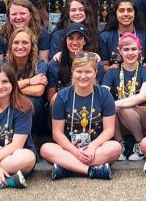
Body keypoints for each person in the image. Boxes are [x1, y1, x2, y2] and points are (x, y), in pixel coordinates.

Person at [41, 52, 121, 180]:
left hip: (95, 148)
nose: (83, 76)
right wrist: (75, 152)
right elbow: (57, 133)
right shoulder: (62, 96)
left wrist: (92, 147)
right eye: (79, 72)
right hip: (69, 148)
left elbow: (109, 130)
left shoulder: (104, 95)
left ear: (95, 72)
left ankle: (67, 168)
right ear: (73, 72)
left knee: (115, 147)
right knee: (46, 149)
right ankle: (91, 170)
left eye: (88, 72)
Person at [102, 34, 146, 161]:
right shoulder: (112, 72)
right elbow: (103, 95)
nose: (130, 53)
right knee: (109, 108)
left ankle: (140, 144)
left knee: (119, 108)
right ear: (119, 51)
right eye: (126, 50)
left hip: (141, 115)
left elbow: (143, 96)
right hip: (118, 120)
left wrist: (115, 104)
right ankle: (120, 144)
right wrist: (112, 105)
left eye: (134, 49)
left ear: (140, 51)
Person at [3, 27, 48, 129]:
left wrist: (10, 89)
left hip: (35, 118)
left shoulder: (40, 65)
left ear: (32, 45)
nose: (20, 46)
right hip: (7, 109)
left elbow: (38, 91)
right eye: (16, 43)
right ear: (10, 46)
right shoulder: (3, 65)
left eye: (25, 42)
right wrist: (29, 81)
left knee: (33, 101)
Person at [99, 0, 146, 68]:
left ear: (135, 13)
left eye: (129, 10)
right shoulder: (105, 36)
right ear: (115, 13)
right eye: (121, 11)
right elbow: (104, 65)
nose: (126, 14)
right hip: (115, 76)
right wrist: (110, 68)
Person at [46, 23, 98, 100]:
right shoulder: (54, 64)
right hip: (63, 104)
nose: (75, 42)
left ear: (84, 41)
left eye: (79, 38)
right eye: (70, 38)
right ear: (65, 40)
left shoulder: (94, 61)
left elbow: (99, 93)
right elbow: (51, 98)